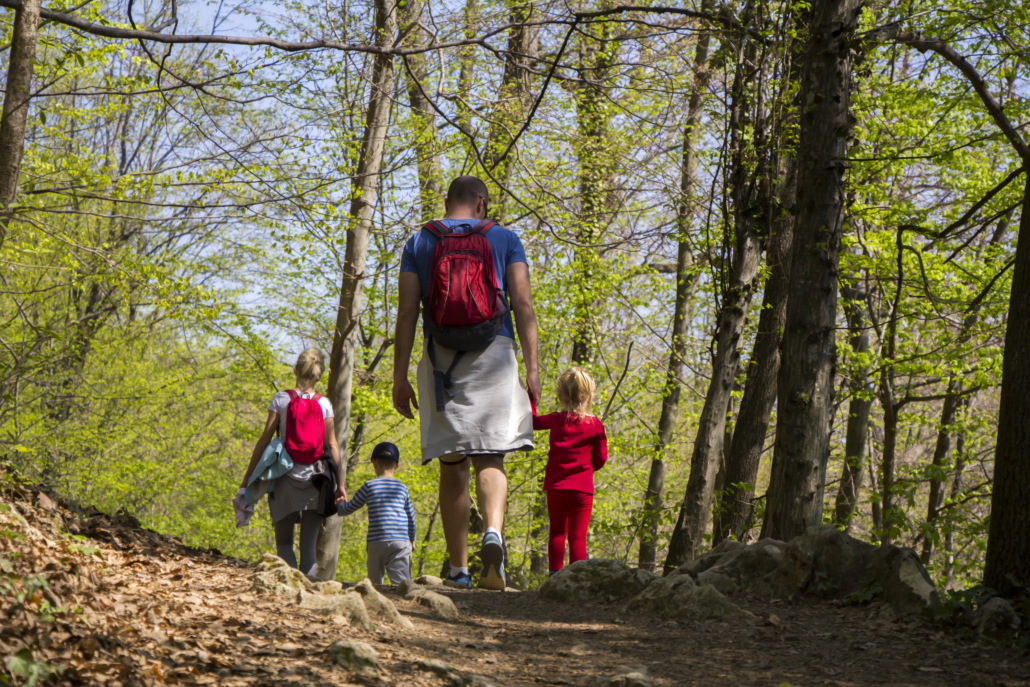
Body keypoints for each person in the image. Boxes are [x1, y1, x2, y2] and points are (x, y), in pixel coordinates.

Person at [392, 175, 541, 590]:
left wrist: (400, 376)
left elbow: (407, 312)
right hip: (495, 352)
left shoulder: (420, 241)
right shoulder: (504, 238)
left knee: (452, 463)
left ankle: (458, 570)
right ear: (481, 202)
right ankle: (492, 533)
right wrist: (531, 369)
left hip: (443, 360)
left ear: (447, 201)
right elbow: (523, 303)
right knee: (491, 457)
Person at [240, 348, 345, 577]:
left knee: (285, 543)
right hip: (317, 480)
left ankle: (289, 594)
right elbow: (333, 446)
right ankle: (309, 595)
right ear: (319, 375)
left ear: (295, 369)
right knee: (308, 547)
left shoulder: (281, 399)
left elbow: (265, 440)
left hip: (283, 477)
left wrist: (248, 478)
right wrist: (341, 485)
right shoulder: (324, 403)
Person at [531, 368, 608, 573]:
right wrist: (588, 466)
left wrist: (531, 398)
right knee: (577, 536)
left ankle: (554, 575)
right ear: (591, 397)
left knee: (557, 532)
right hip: (582, 490)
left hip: (557, 487)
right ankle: (576, 578)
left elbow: (531, 422)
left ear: (560, 396)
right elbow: (601, 460)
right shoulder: (595, 425)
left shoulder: (555, 419)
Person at [336, 442, 416, 585]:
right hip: (401, 541)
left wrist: (340, 505)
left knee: (374, 583)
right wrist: (412, 539)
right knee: (402, 584)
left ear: (374, 463)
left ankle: (374, 602)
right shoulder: (402, 488)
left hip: (376, 540)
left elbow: (349, 508)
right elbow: (411, 517)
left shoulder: (369, 486)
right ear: (397, 465)